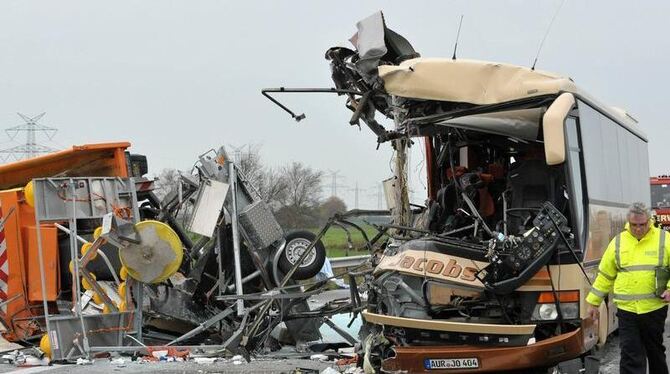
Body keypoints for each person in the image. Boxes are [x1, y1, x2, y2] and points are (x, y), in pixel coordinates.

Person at [586, 202, 670, 374]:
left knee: (655, 353)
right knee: (630, 354)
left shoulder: (664, 239)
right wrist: (593, 303)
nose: (638, 229)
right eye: (634, 225)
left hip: (654, 309)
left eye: (642, 224)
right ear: (628, 222)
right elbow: (605, 275)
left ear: (649, 220)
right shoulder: (618, 243)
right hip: (627, 311)